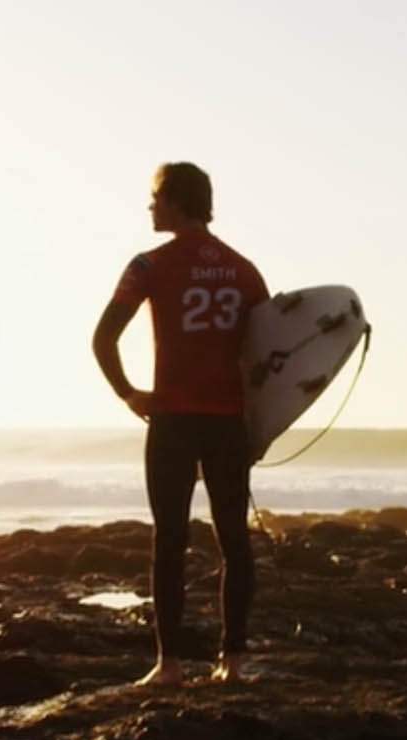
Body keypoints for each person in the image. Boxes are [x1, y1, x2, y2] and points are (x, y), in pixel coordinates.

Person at [91, 162, 270, 686]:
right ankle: (233, 661)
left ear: (175, 202)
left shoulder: (148, 265)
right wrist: (261, 425)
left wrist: (127, 393)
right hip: (227, 423)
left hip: (171, 419)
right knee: (234, 538)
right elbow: (267, 356)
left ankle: (168, 665)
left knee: (169, 539)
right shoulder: (244, 270)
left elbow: (103, 339)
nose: (150, 208)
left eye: (154, 198)